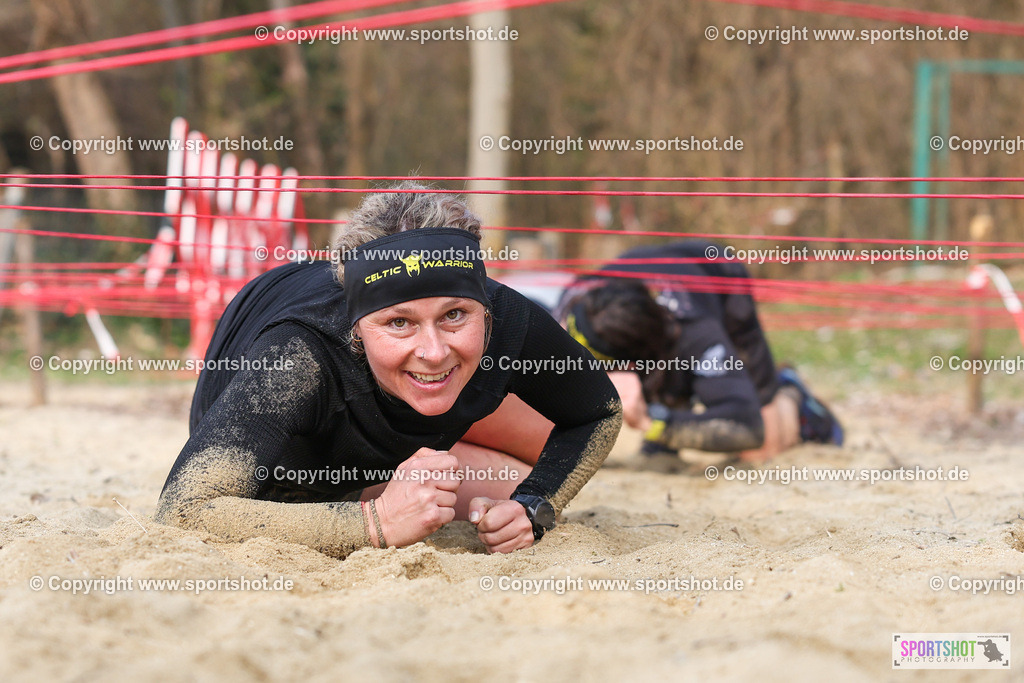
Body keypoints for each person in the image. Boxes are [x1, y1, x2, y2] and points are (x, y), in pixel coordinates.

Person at [155, 184, 622, 557]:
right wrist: (376, 525)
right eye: (399, 323)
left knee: (514, 489)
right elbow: (185, 508)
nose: (434, 350)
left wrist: (535, 502)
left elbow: (597, 411)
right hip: (306, 459)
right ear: (358, 327)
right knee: (441, 498)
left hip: (410, 404)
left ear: (483, 304)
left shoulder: (505, 315)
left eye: (455, 315)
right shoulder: (296, 360)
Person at [553, 239, 841, 463]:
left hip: (718, 276)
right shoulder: (566, 308)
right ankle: (664, 432)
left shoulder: (695, 332)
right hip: (648, 284)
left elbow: (746, 427)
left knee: (763, 449)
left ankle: (792, 393)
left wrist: (651, 421)